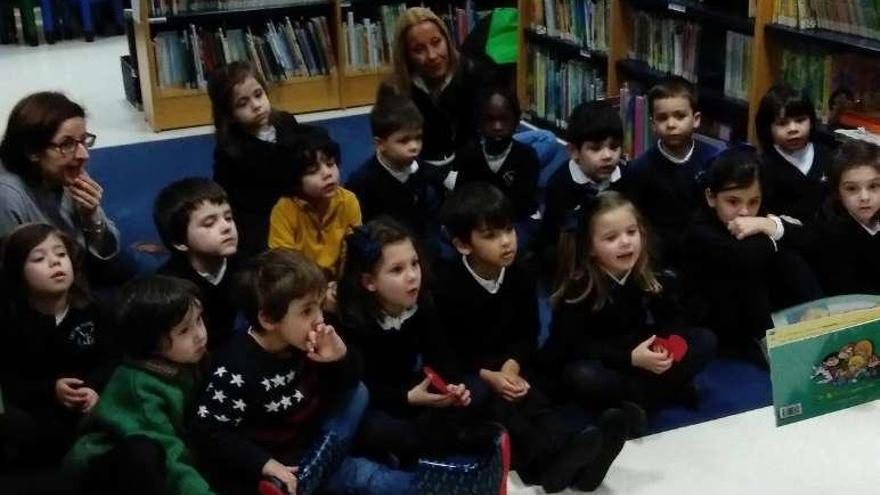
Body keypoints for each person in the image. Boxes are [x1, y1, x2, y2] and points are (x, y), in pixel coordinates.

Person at [435, 182, 628, 494]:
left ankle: (581, 464)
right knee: (497, 407)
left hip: (510, 365)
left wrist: (511, 368)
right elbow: (447, 352)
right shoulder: (445, 287)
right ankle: (547, 465)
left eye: (509, 230)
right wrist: (491, 376)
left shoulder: (520, 273)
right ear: (463, 244)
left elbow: (527, 332)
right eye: (491, 235)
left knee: (533, 395)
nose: (506, 242)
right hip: (469, 375)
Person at [190, 248, 362, 495]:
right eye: (306, 311)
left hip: (312, 438)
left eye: (319, 306)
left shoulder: (304, 337)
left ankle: (315, 470)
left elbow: (346, 384)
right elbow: (208, 433)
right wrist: (264, 463)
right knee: (367, 477)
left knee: (361, 394)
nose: (319, 319)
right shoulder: (235, 366)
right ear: (269, 319)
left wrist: (340, 358)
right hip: (278, 458)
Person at [336, 217, 497, 466]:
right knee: (376, 429)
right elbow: (360, 387)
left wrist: (452, 387)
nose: (413, 276)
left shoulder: (420, 303)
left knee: (478, 389)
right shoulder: (351, 322)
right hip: (379, 400)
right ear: (369, 282)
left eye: (414, 264)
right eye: (397, 270)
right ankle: (441, 442)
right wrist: (406, 398)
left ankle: (425, 446)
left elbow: (441, 355)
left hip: (414, 390)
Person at [544, 191, 717, 415]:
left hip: (642, 346)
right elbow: (575, 347)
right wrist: (630, 359)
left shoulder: (649, 271)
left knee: (705, 340)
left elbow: (672, 316)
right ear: (590, 248)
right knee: (583, 376)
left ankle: (640, 400)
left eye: (631, 232)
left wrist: (667, 345)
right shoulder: (578, 289)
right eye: (611, 238)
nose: (625, 242)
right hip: (607, 357)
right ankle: (655, 394)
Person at [64, 276, 215, 495]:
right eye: (184, 331)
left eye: (199, 320)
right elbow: (169, 454)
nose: (200, 335)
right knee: (148, 456)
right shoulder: (140, 387)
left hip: (155, 451)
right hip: (102, 470)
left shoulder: (191, 359)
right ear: (151, 343)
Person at [682, 149, 820, 361]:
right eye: (733, 202)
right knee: (750, 268)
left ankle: (820, 320)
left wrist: (770, 225)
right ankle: (772, 348)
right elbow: (743, 258)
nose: (745, 212)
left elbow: (808, 239)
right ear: (711, 197)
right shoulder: (699, 229)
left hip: (761, 309)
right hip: (717, 320)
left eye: (753, 202)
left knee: (790, 259)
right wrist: (774, 229)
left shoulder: (758, 214)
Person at [0, 223, 113, 468]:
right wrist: (51, 390)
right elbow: (10, 380)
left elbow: (110, 359)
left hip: (93, 402)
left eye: (61, 254)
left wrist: (94, 388)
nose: (55, 263)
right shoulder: (12, 320)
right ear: (18, 272)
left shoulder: (93, 309)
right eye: (39, 259)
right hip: (38, 412)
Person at [0, 92, 120, 265]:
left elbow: (107, 251)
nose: (84, 154)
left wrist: (92, 217)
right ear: (32, 151)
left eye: (84, 140)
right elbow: (13, 276)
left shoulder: (67, 174)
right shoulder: (8, 196)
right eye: (67, 144)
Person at [616, 76, 721, 270]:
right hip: (662, 259)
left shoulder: (714, 159)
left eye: (680, 116)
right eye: (662, 118)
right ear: (653, 124)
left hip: (708, 251)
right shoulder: (639, 169)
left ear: (696, 119)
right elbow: (633, 221)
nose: (671, 124)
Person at [208, 61, 310, 258]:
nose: (256, 106)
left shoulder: (286, 122)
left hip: (296, 203)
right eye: (242, 103)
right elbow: (222, 192)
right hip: (260, 217)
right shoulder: (229, 149)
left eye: (258, 94)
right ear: (229, 114)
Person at [379, 7, 480, 183]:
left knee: (542, 140)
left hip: (465, 160)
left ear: (447, 40)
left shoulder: (468, 70)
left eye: (436, 42)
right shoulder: (393, 90)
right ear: (406, 55)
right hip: (420, 167)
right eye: (419, 49)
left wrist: (461, 171)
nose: (432, 55)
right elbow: (396, 151)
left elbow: (477, 133)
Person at [153, 177, 240, 349]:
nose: (226, 227)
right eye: (209, 223)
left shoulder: (248, 265)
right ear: (179, 242)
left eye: (228, 217)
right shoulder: (170, 286)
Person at [345, 93, 441, 244]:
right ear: (380, 144)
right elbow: (359, 231)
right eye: (404, 141)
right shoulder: (362, 182)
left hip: (420, 245)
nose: (414, 147)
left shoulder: (423, 170)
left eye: (418, 138)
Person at [268, 130, 361, 279]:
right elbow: (283, 266)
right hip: (302, 285)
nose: (327, 173)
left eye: (330, 164)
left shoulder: (348, 201)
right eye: (313, 170)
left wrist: (341, 287)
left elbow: (353, 254)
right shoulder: (283, 210)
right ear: (295, 179)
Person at [453, 85, 540, 244]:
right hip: (478, 223)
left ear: (517, 120)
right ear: (479, 121)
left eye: (504, 119)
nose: (497, 126)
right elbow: (463, 198)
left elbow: (522, 205)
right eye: (490, 119)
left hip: (514, 222)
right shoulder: (468, 156)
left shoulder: (526, 156)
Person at [539, 100, 623, 256]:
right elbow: (552, 239)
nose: (607, 156)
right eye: (596, 148)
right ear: (574, 151)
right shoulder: (559, 185)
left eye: (614, 147)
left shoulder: (626, 178)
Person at [807, 140, 880, 295]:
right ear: (837, 192)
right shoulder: (831, 234)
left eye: (874, 186)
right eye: (852, 189)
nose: (865, 197)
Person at [755, 83, 832, 223]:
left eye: (800, 120)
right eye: (782, 123)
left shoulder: (827, 156)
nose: (793, 129)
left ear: (812, 121)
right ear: (768, 128)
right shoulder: (763, 165)